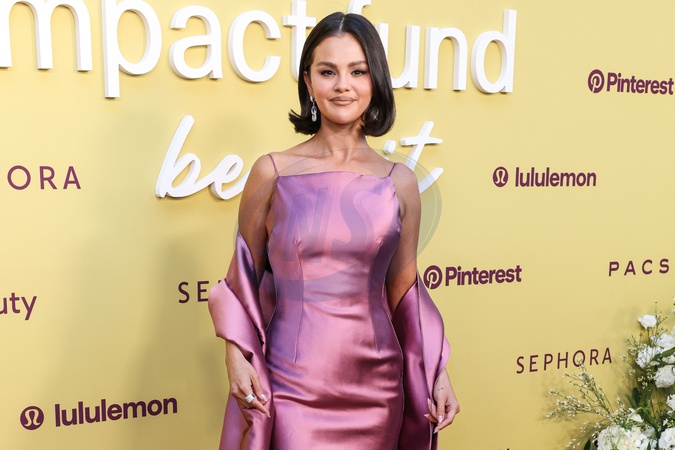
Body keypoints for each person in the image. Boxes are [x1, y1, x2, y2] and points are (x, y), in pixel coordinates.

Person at [208, 11, 459, 450]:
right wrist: (235, 353)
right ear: (308, 81)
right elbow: (242, 279)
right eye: (328, 72)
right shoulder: (272, 172)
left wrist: (436, 371)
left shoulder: (400, 182)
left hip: (378, 389)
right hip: (291, 384)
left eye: (357, 71)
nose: (343, 85)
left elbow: (405, 291)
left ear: (375, 80)